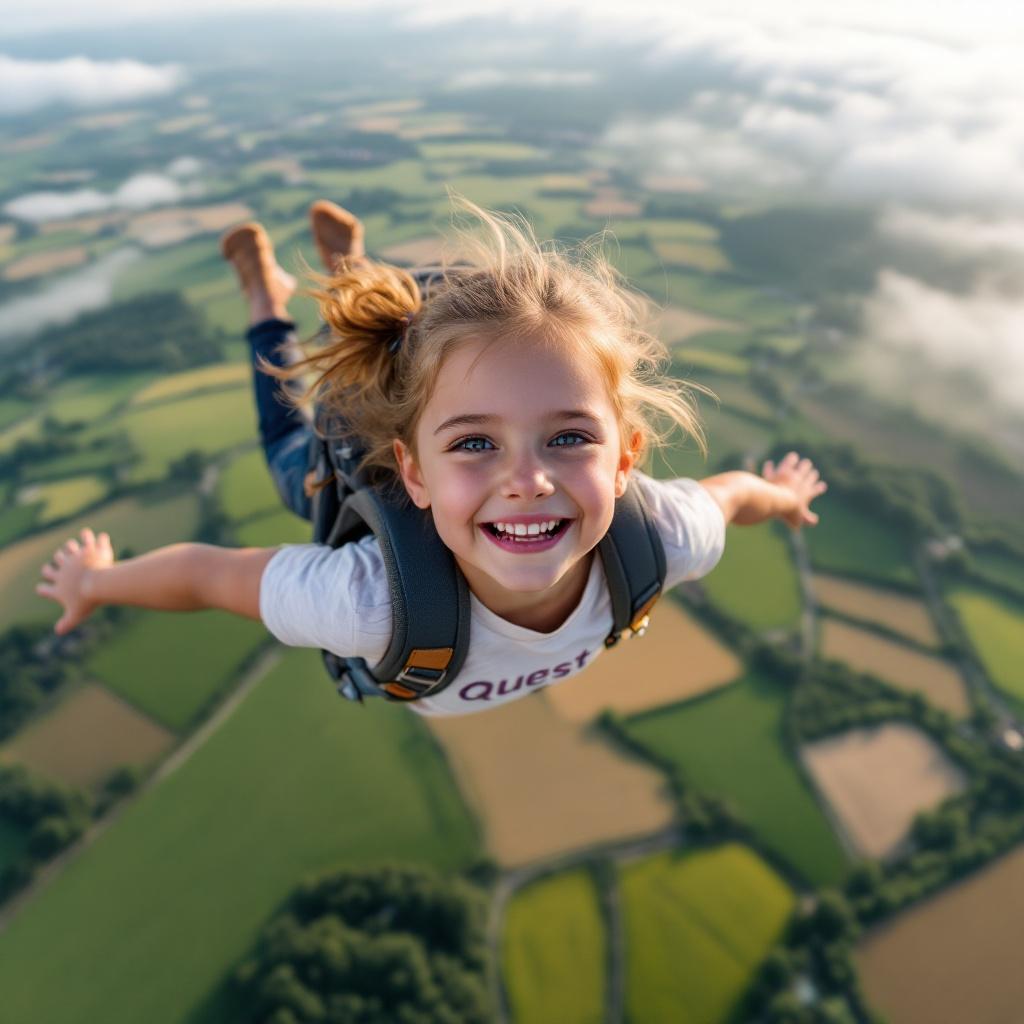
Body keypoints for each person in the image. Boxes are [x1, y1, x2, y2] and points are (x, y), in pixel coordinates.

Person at [35, 196, 827, 717]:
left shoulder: (663, 534)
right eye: (475, 443)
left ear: (627, 462)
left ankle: (356, 279)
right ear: (411, 469)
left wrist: (781, 497)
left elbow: (728, 496)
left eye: (570, 437)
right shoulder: (367, 602)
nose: (527, 480)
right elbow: (208, 574)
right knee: (288, 438)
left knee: (378, 358)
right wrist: (96, 583)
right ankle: (265, 295)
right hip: (349, 459)